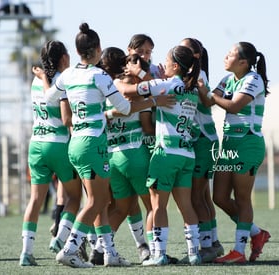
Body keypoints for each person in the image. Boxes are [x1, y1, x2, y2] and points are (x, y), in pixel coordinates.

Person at [38, 23, 175, 268]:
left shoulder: (68, 75)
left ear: (78, 51)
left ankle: (109, 253)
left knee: (100, 201)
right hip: (93, 144)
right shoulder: (99, 76)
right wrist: (152, 100)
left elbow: (49, 97)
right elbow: (123, 107)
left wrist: (46, 80)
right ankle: (71, 248)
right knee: (96, 202)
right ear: (97, 49)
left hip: (76, 144)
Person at [125, 45, 202, 266]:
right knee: (186, 205)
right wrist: (147, 76)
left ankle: (158, 254)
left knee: (157, 205)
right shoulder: (192, 88)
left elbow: (130, 92)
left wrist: (134, 71)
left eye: (167, 61)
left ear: (175, 65)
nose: (163, 65)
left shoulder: (168, 84)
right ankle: (194, 252)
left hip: (166, 153)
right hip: (187, 152)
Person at [202, 41, 271, 264]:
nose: (225, 56)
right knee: (219, 197)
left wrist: (211, 96)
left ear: (243, 62)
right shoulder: (227, 79)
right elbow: (207, 100)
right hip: (229, 146)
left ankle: (239, 250)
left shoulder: (253, 79)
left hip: (248, 145)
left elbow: (233, 106)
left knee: (242, 198)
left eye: (230, 54)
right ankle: (256, 232)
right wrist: (197, 83)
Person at [19, 40, 83, 266]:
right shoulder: (63, 81)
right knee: (75, 197)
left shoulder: (36, 82)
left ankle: (26, 252)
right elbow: (66, 115)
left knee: (35, 200)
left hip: (36, 144)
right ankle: (60, 239)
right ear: (63, 58)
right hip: (58, 144)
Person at [99, 48, 153, 263]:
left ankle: (100, 248)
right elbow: (148, 127)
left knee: (121, 208)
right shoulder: (137, 92)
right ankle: (155, 253)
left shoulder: (106, 91)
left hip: (113, 157)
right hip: (135, 155)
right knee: (153, 206)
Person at [178, 38, 224, 263]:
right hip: (204, 140)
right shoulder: (194, 75)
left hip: (202, 140)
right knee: (203, 195)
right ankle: (213, 242)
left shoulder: (197, 76)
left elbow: (207, 103)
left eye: (184, 49)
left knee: (196, 196)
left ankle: (205, 246)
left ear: (196, 56)